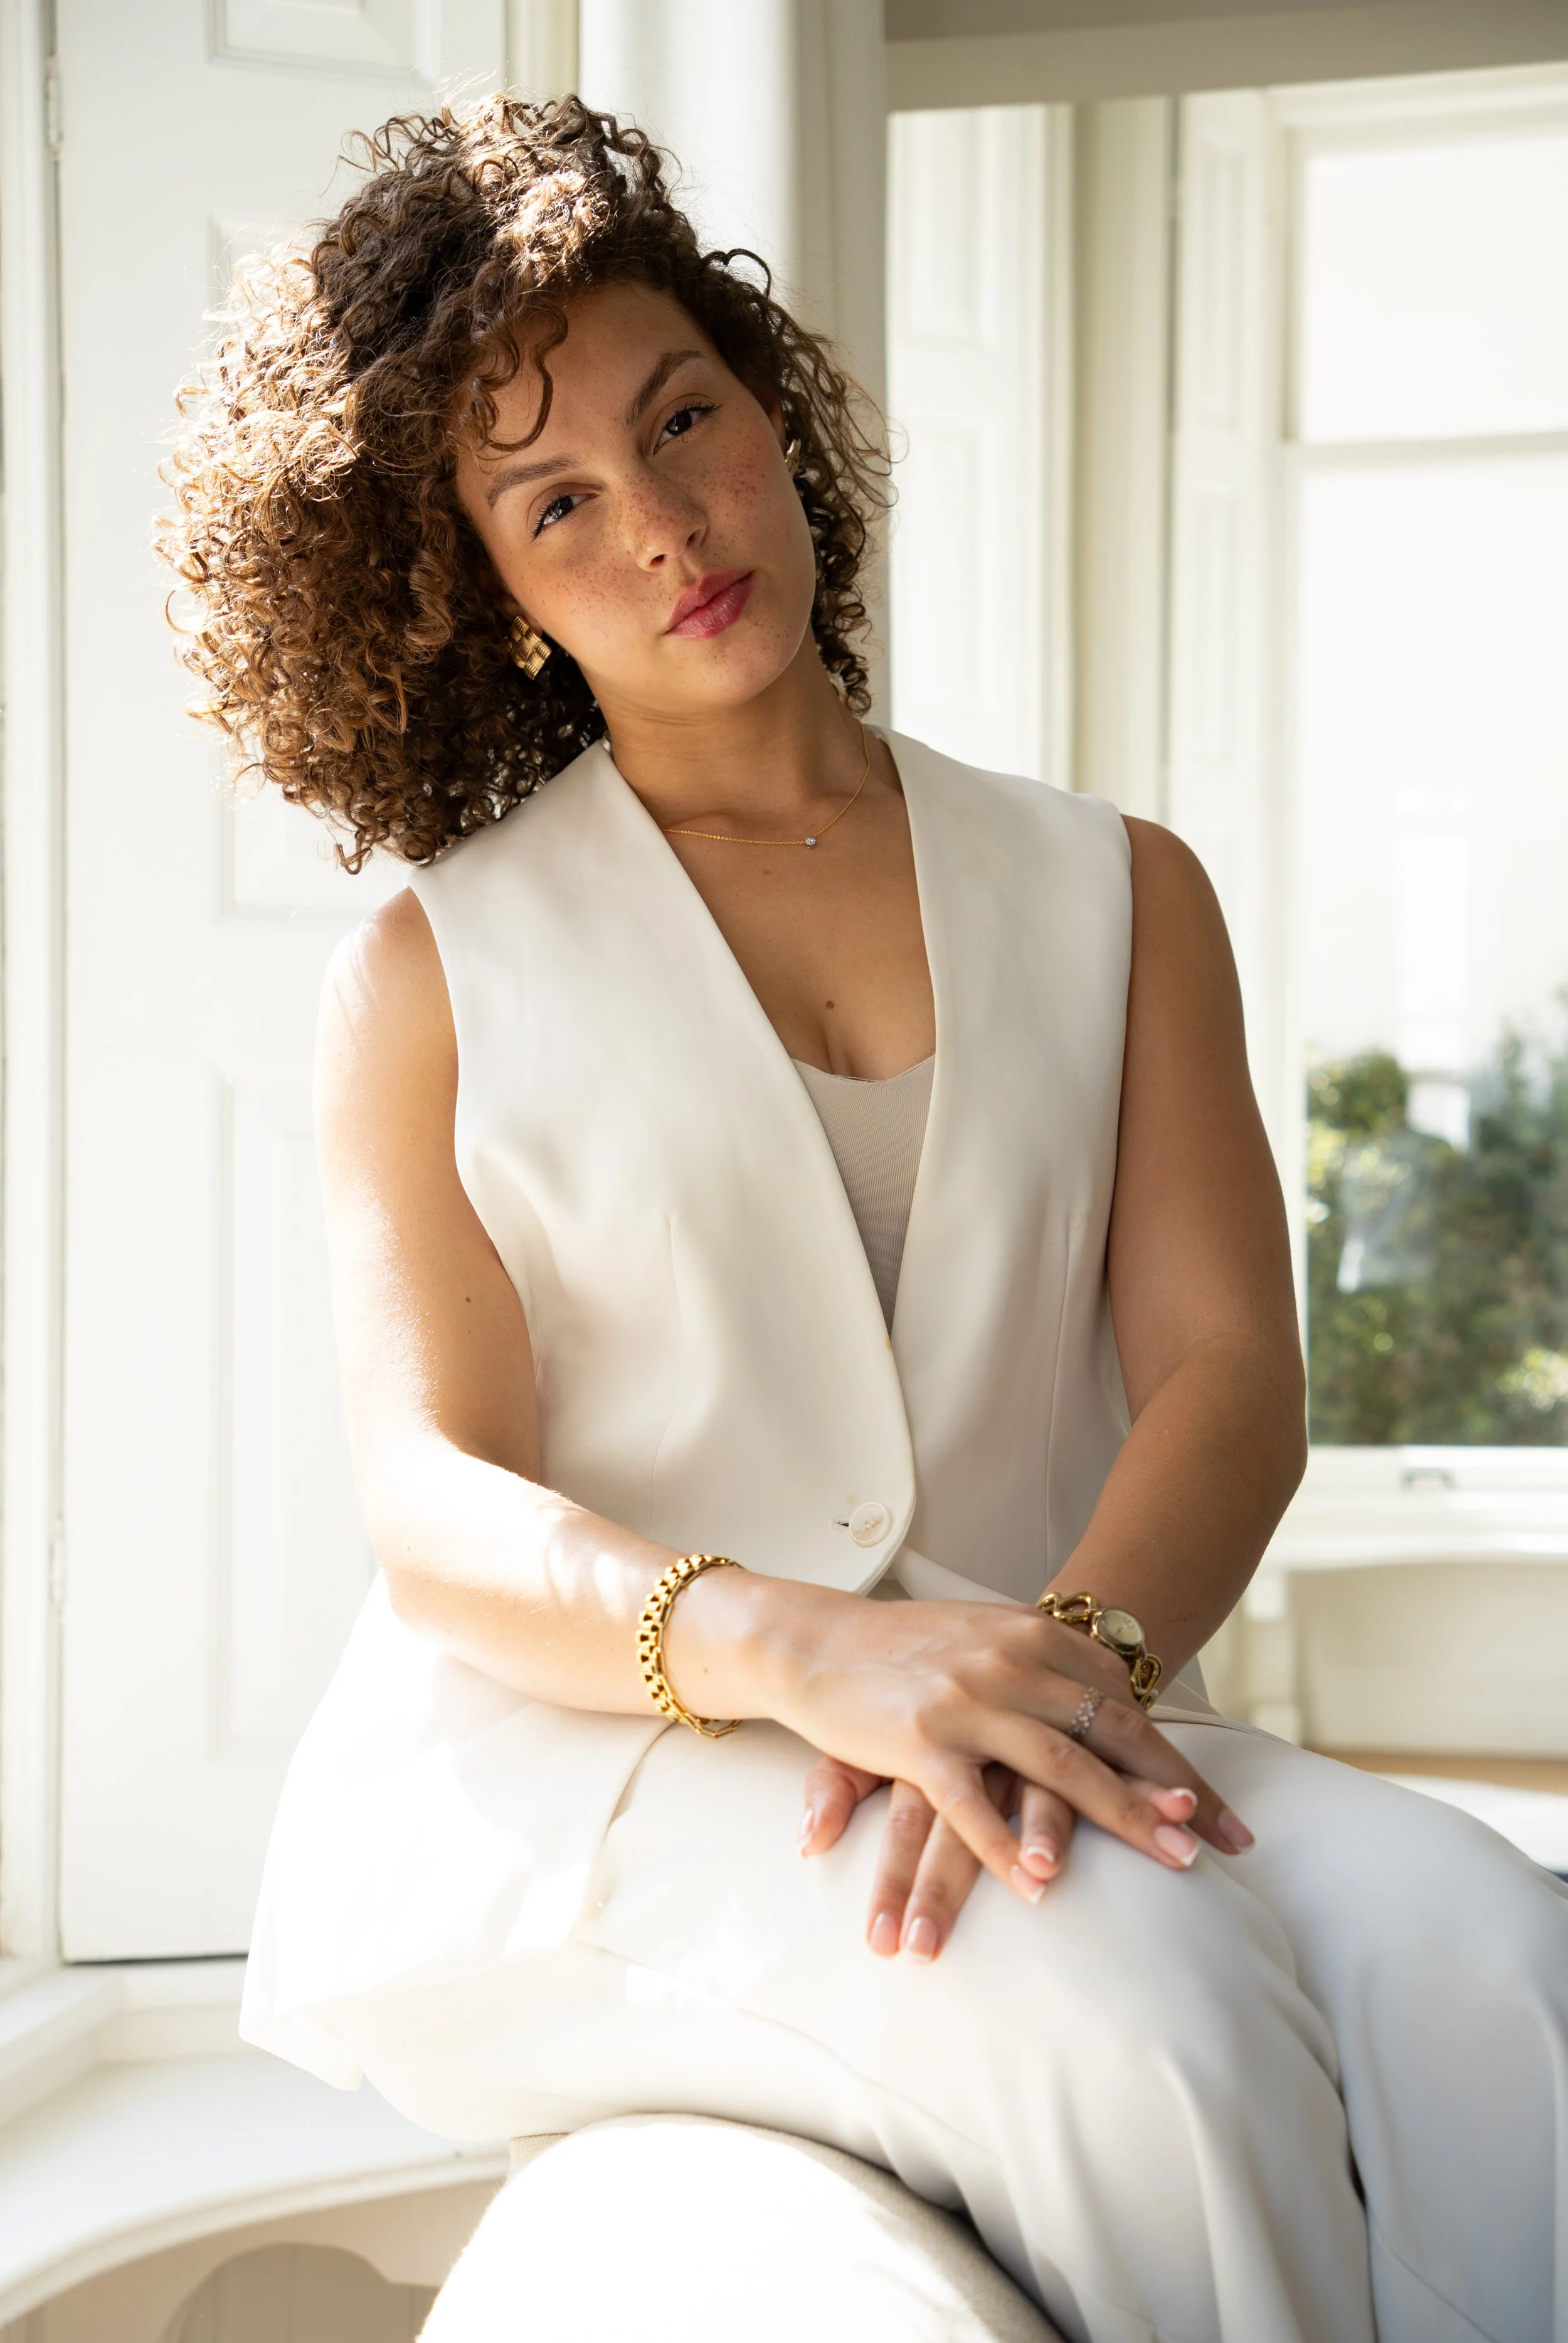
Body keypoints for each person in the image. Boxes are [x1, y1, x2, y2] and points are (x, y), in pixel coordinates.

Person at [161, 95, 1567, 2343]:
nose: (660, 525)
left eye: (682, 420)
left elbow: (1226, 1376)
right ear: (492, 603)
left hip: (1041, 1669)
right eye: (554, 504)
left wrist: (1073, 1675)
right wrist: (797, 1648)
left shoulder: (1117, 887)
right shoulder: (431, 977)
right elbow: (431, 1497)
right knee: (1142, 1991)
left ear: (772, 415)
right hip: (614, 1761)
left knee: (1506, 1956)